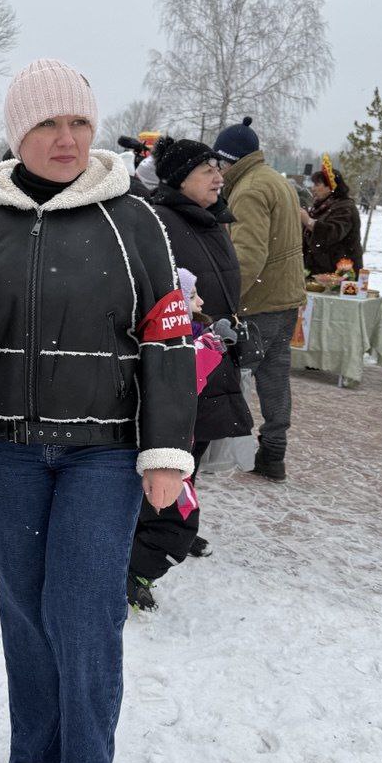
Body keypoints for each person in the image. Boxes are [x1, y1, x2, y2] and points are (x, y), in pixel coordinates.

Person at [0, 58, 196, 763]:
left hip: (102, 453)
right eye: (48, 125)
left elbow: (169, 334)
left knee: (84, 611)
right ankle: (35, 750)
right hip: (5, 449)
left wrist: (166, 451)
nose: (66, 139)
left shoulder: (135, 220)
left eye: (79, 124)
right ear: (18, 134)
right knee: (22, 601)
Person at [127, 137, 252, 609]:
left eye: (218, 169)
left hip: (210, 351)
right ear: (181, 179)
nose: (219, 178)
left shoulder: (210, 222)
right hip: (183, 358)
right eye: (207, 171)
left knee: (189, 453)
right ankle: (146, 549)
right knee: (169, 455)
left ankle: (167, 528)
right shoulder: (162, 222)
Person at [213, 116, 305, 482]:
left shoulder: (250, 190)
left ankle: (219, 448)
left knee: (232, 373)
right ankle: (273, 452)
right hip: (285, 299)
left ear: (229, 159)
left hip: (261, 302)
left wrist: (225, 299)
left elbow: (248, 256)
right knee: (275, 377)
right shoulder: (277, 181)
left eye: (220, 162)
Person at [300, 154, 364, 276]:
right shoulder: (320, 207)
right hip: (319, 271)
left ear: (331, 187)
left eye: (317, 185)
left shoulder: (345, 208)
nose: (313, 189)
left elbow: (332, 233)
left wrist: (308, 221)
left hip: (341, 274)